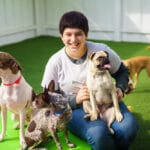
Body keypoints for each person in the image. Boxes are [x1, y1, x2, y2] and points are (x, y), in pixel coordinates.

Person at [41, 11, 138, 150]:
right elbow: (48, 98)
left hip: (108, 101)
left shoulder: (101, 50)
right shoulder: (55, 62)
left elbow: (123, 71)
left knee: (128, 129)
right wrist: (75, 100)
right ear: (61, 36)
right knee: (99, 135)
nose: (73, 39)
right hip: (75, 110)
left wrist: (121, 88)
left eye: (79, 34)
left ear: (86, 34)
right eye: (68, 34)